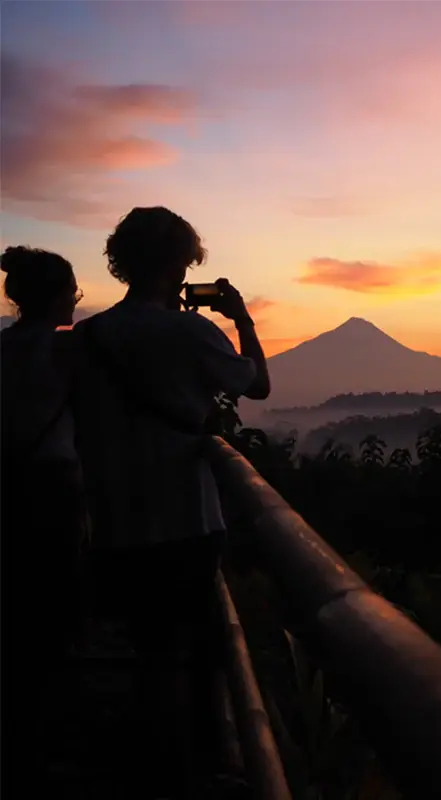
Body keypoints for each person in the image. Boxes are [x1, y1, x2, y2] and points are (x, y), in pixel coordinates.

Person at [72, 206, 270, 798]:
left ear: (121, 260)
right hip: (184, 516)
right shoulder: (190, 332)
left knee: (144, 650)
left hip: (111, 520)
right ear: (183, 263)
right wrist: (242, 319)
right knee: (184, 654)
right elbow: (256, 384)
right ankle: (183, 773)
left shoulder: (87, 337)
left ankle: (154, 764)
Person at [0, 246, 89, 782]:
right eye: (73, 292)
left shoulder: (1, 349)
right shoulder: (68, 352)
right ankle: (47, 737)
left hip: (7, 486)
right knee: (57, 606)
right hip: (54, 487)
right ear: (57, 296)